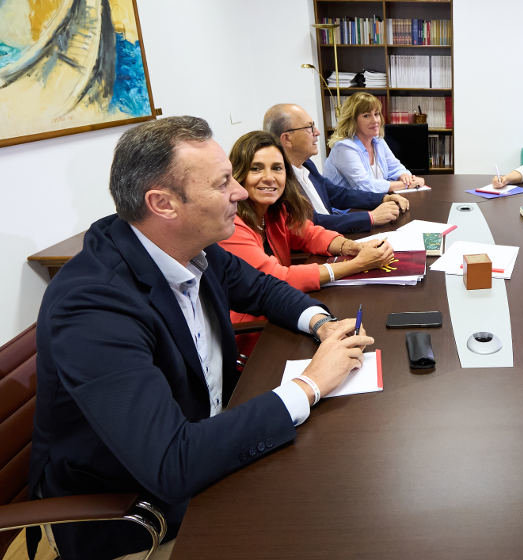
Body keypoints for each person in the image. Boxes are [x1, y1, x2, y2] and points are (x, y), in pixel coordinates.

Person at [28, 116, 373, 559]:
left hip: (209, 454)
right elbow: (172, 464)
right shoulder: (93, 306)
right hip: (139, 515)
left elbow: (264, 288)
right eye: (223, 182)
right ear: (164, 204)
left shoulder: (192, 246)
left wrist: (321, 324)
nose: (242, 193)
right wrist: (310, 384)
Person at [220, 130, 394, 323]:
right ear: (238, 174)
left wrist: (353, 247)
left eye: (277, 168)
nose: (269, 177)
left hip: (283, 312)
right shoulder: (231, 225)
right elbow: (276, 278)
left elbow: (310, 234)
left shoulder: (275, 211)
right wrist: (357, 264)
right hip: (255, 333)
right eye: (256, 169)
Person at [264, 103, 409, 234]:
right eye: (310, 127)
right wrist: (371, 217)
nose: (317, 132)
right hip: (312, 251)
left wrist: (383, 198)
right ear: (287, 139)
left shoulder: (307, 164)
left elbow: (337, 194)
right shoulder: (277, 181)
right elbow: (314, 222)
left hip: (334, 234)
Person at [324, 92, 427, 193]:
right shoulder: (344, 148)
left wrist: (404, 176)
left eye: (376, 114)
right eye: (366, 116)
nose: (375, 120)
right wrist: (406, 184)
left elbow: (395, 168)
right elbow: (364, 186)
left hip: (373, 203)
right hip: (348, 208)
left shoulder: (378, 141)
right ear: (353, 121)